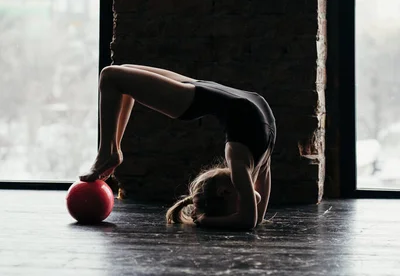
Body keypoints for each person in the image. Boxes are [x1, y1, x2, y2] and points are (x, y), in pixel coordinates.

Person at [79, 64, 276, 230]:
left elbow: (249, 219)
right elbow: (252, 219)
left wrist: (207, 221)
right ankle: (111, 151)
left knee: (111, 76)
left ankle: (110, 151)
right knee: (116, 75)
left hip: (199, 96)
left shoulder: (243, 160)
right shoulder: (248, 162)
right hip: (204, 92)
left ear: (224, 192)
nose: (250, 199)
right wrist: (212, 219)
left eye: (243, 201)